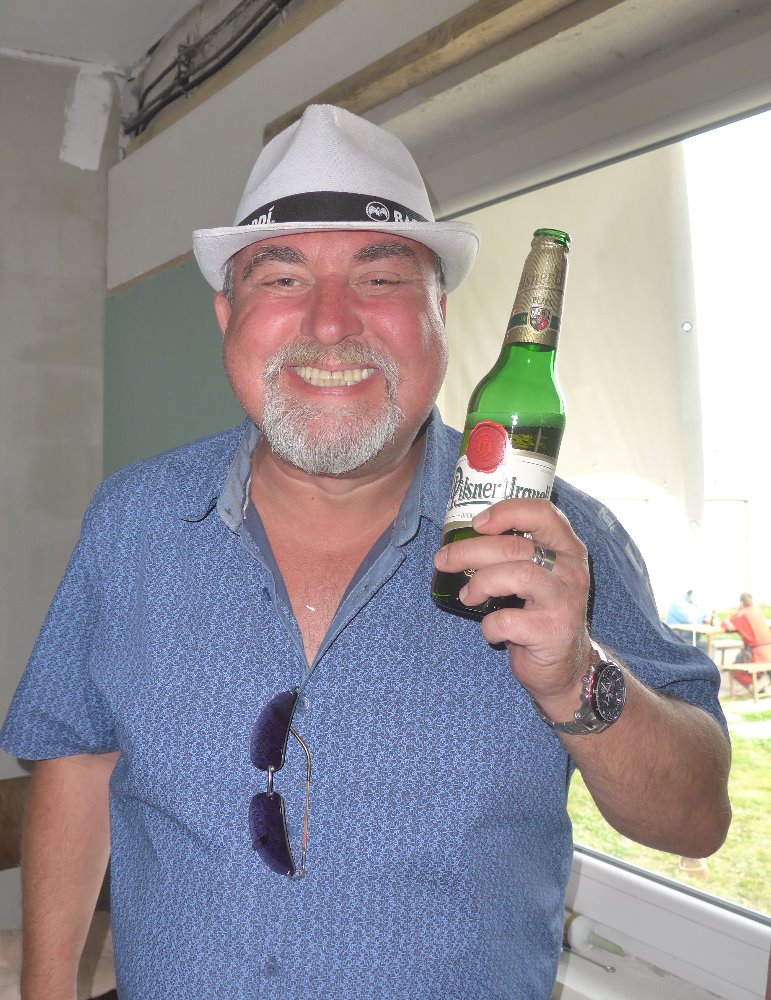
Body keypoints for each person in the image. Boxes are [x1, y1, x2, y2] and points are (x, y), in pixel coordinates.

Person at [1, 105, 731, 1000]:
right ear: (228, 315)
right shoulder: (132, 521)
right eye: (282, 279)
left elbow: (694, 821)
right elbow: (77, 761)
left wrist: (578, 675)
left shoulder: (562, 538)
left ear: (437, 314)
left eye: (379, 278)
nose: (331, 323)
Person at [721, 592, 771, 688]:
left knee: (735, 669)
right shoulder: (758, 611)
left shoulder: (742, 614)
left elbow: (726, 625)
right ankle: (761, 682)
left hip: (757, 654)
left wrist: (738, 611)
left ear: (741, 602)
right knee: (740, 658)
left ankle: (754, 686)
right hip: (769, 651)